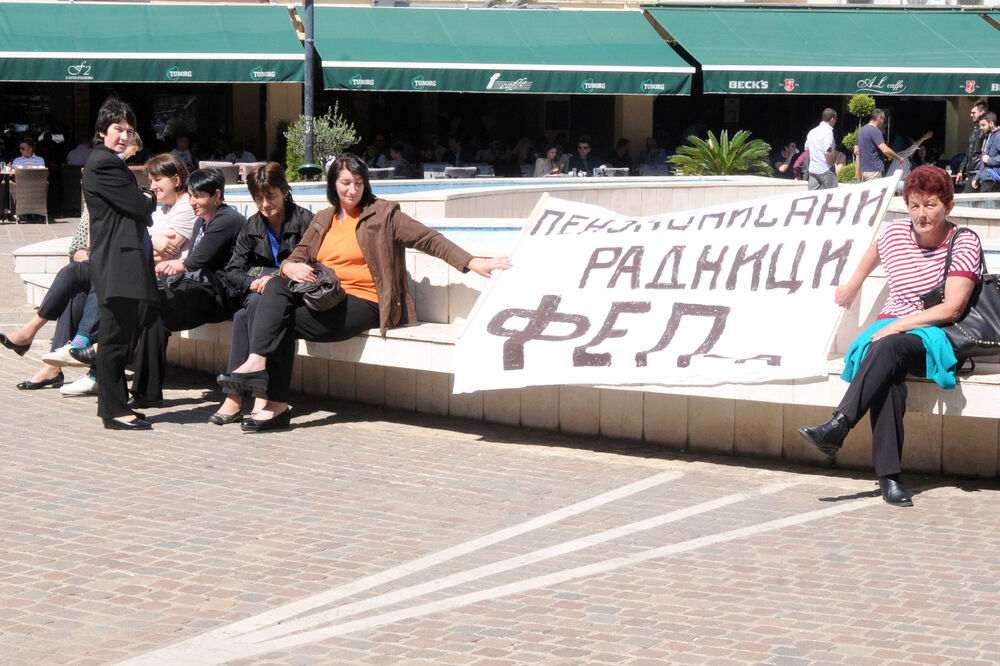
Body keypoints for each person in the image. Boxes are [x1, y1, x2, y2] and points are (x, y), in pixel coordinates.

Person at [216, 153, 512, 432]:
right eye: (345, 183)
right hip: (325, 297)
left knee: (279, 322)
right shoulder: (323, 218)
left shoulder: (383, 214)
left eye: (358, 183)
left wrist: (471, 262)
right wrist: (289, 268)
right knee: (277, 290)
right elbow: (297, 256)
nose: (352, 189)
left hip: (367, 301)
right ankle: (265, 379)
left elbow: (428, 238)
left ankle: (273, 396)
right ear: (334, 185)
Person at [799, 165, 981, 507]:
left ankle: (840, 424)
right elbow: (875, 251)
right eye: (914, 205)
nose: (921, 214)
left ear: (948, 205)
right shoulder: (896, 234)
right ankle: (890, 478)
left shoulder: (963, 241)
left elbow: (953, 308)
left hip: (935, 334)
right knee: (888, 374)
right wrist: (852, 285)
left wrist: (899, 324)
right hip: (892, 336)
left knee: (888, 344)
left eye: (930, 204)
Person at [129, 168, 246, 406]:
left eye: (199, 197)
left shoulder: (227, 220)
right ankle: (145, 393)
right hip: (199, 291)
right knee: (154, 314)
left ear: (216, 195)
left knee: (154, 303)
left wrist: (173, 265)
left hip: (222, 296)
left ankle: (105, 352)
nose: (193, 203)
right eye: (191, 196)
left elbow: (196, 261)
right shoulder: (202, 221)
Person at [210, 163, 314, 425]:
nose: (265, 204)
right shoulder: (252, 226)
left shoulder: (305, 222)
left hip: (295, 297)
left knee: (250, 310)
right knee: (249, 307)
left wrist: (277, 277)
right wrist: (253, 282)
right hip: (258, 295)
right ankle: (256, 395)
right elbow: (233, 271)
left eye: (271, 196)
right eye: (258, 198)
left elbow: (313, 264)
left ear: (285, 192)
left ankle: (238, 398)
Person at [83, 96, 159, 430]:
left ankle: (119, 402)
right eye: (118, 129)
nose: (125, 136)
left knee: (123, 334)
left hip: (123, 261)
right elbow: (139, 207)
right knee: (114, 337)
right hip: (117, 262)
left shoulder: (110, 162)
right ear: (102, 131)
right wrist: (149, 197)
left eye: (129, 130)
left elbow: (136, 204)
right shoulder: (104, 163)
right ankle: (113, 409)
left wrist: (143, 199)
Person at [144, 153, 198, 262]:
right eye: (150, 182)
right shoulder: (162, 209)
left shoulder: (188, 206)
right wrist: (152, 240)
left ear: (177, 180)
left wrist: (145, 239)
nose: (152, 187)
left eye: (158, 180)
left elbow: (161, 255)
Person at [855, 108, 903, 182]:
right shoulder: (875, 130)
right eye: (884, 119)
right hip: (874, 170)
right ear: (880, 118)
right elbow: (885, 150)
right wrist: (898, 157)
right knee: (874, 193)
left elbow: (856, 151)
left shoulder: (861, 130)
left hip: (863, 170)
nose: (884, 121)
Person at [956, 101, 988, 193]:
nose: (971, 115)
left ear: (982, 113)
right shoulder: (975, 130)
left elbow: (985, 153)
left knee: (965, 199)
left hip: (978, 172)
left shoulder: (987, 132)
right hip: (972, 172)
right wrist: (961, 170)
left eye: (974, 113)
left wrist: (979, 173)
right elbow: (969, 152)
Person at [804, 108, 838, 190]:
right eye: (836, 119)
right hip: (825, 169)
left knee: (812, 197)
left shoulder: (812, 132)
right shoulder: (828, 132)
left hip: (813, 169)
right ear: (832, 119)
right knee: (834, 195)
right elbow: (828, 152)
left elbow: (806, 149)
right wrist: (833, 164)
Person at [972, 112, 1000, 193]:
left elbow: (986, 159)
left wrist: (990, 160)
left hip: (992, 180)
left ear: (991, 123)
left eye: (983, 125)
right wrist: (977, 177)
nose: (981, 128)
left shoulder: (998, 136)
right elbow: (983, 160)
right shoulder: (987, 136)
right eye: (980, 125)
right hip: (985, 179)